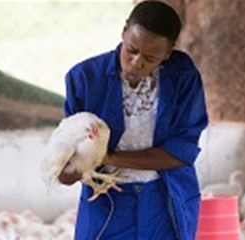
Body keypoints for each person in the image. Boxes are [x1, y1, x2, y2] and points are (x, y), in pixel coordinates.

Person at [59, 1, 208, 239]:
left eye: (150, 58)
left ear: (167, 54)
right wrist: (68, 166)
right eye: (132, 49)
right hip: (108, 204)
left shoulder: (183, 76)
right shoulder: (85, 78)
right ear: (124, 30)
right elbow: (69, 158)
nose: (137, 62)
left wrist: (107, 157)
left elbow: (181, 152)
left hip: (165, 200)